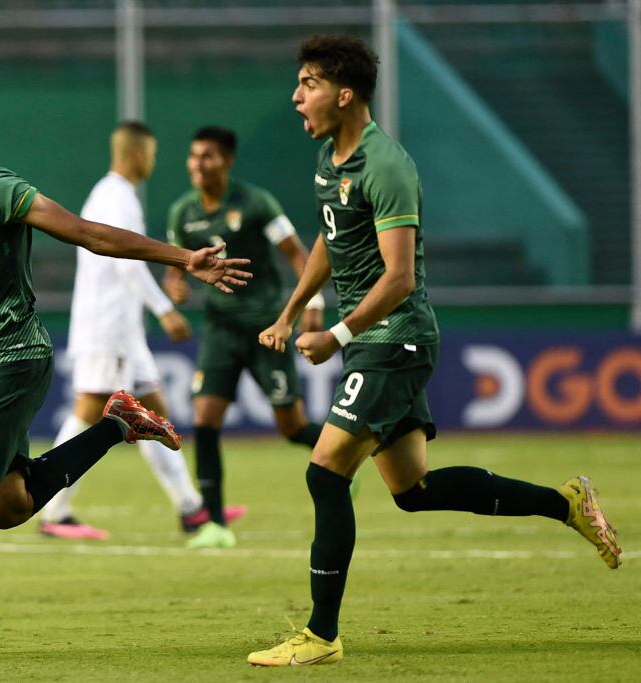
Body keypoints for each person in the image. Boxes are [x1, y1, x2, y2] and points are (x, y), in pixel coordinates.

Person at [248, 34, 622, 667]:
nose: (295, 96)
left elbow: (397, 278)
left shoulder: (386, 164)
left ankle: (320, 635)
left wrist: (336, 334)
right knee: (413, 489)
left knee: (324, 473)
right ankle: (566, 504)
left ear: (345, 94)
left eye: (307, 83)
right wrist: (292, 310)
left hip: (395, 338)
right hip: (372, 340)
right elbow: (331, 235)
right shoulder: (329, 161)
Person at [0, 84, 252, 663]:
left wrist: (184, 259)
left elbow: (88, 233)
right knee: (4, 507)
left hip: (12, 358)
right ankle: (118, 425)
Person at [39, 121, 217, 541]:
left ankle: (192, 508)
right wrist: (164, 309)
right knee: (88, 412)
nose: (153, 161)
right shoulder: (117, 198)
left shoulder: (113, 194)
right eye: (152, 153)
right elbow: (126, 262)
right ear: (137, 153)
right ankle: (53, 509)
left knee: (155, 416)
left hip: (123, 331)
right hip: (108, 327)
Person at [163, 125, 326, 550]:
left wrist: (312, 305)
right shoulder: (182, 212)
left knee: (290, 426)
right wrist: (175, 287)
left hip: (266, 326)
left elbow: (295, 252)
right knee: (204, 419)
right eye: (194, 156)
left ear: (227, 161)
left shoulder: (256, 203)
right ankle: (215, 523)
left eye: (209, 157)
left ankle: (342, 456)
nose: (199, 164)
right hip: (219, 327)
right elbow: (175, 269)